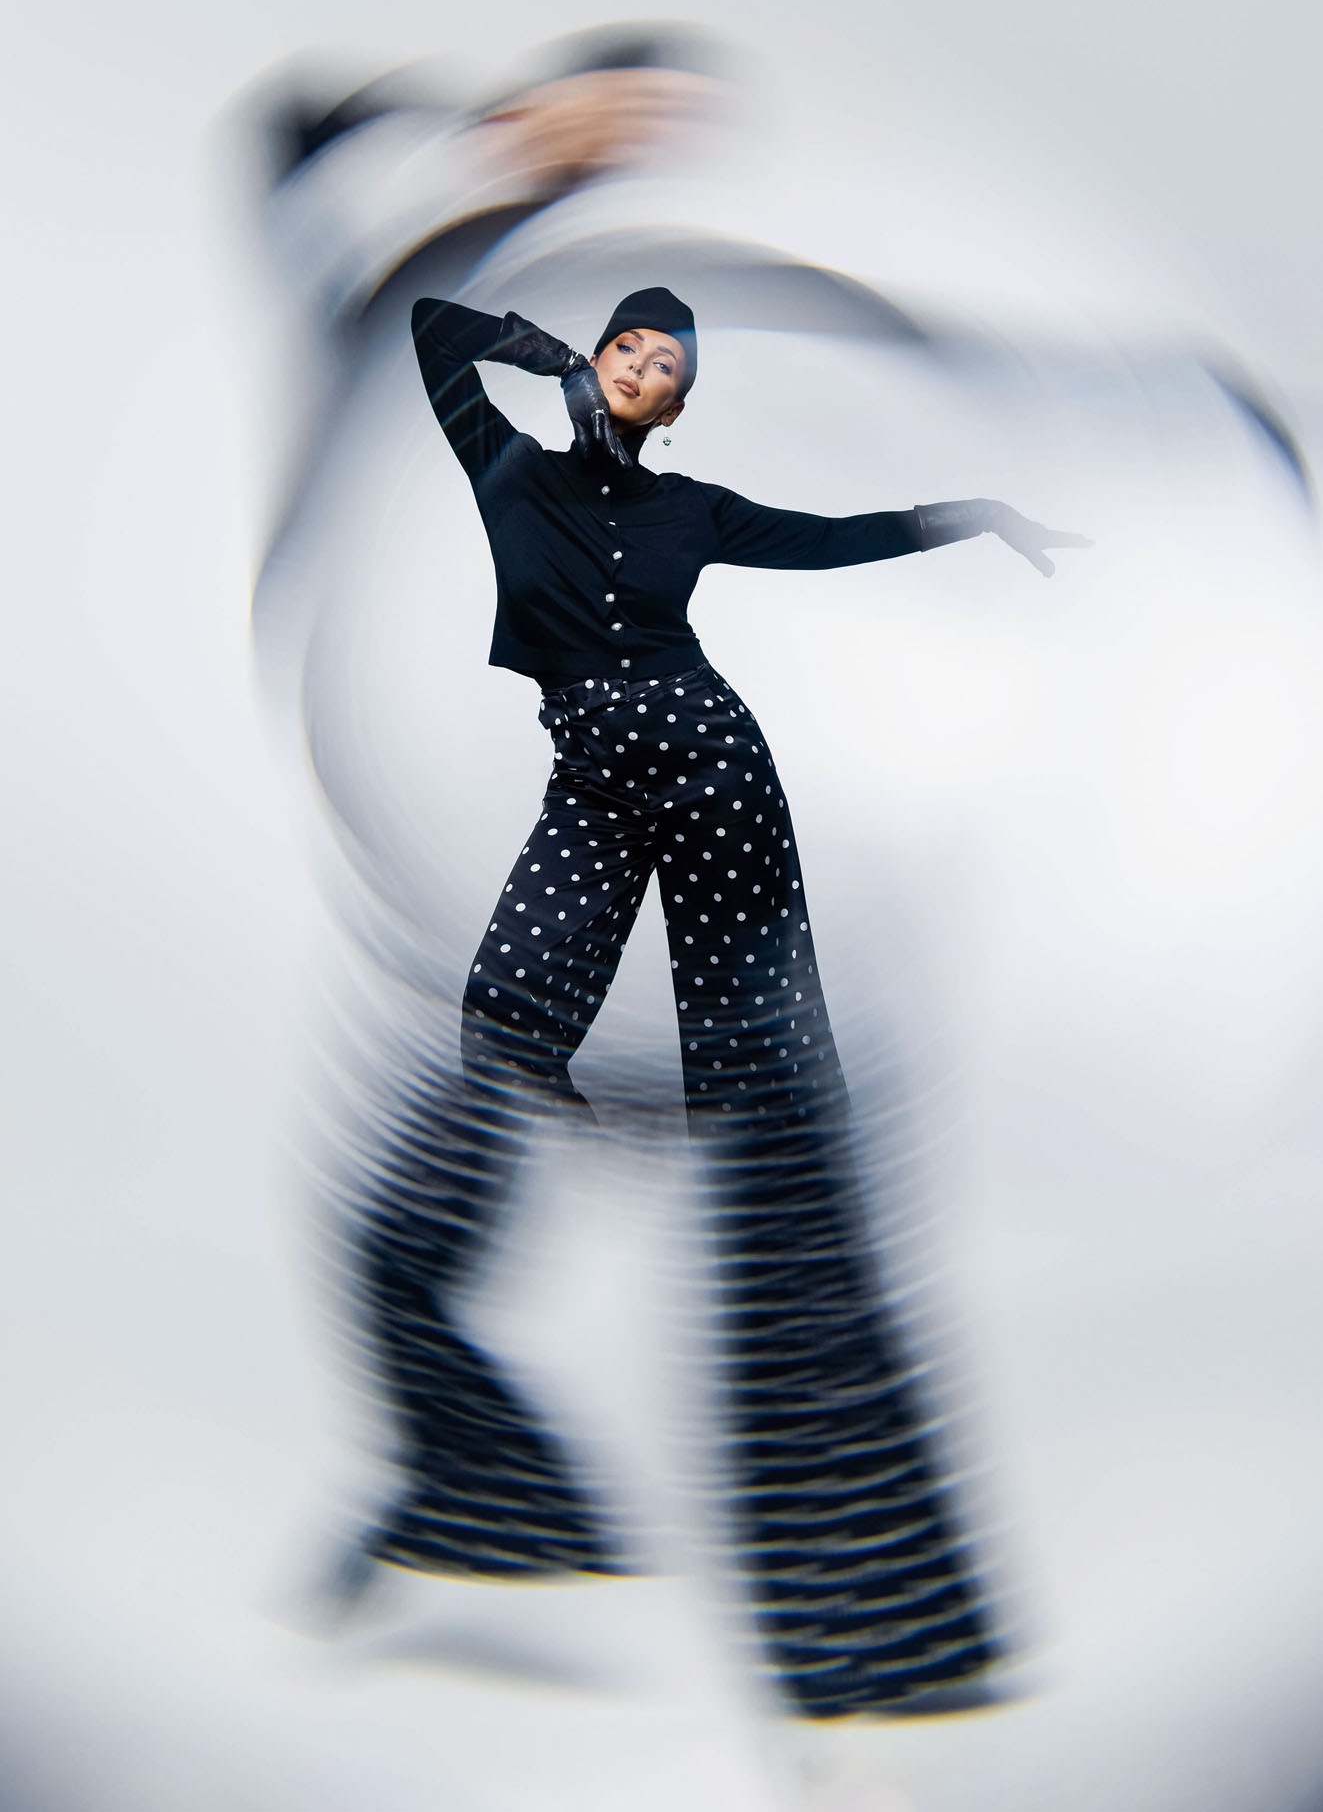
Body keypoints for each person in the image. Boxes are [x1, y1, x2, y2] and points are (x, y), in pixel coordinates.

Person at [338, 282, 1087, 1720]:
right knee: (501, 1023)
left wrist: (976, 515)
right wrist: (548, 355)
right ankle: (489, 1496)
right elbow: (435, 329)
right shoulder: (507, 463)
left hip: (714, 772)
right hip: (594, 779)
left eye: (666, 364)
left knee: (774, 1105)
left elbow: (833, 539)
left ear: (680, 403)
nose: (643, 368)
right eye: (628, 347)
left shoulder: (697, 511)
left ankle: (882, 1641)